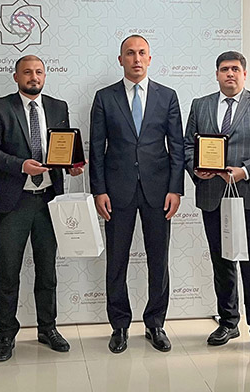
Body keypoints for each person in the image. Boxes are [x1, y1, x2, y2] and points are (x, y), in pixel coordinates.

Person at [0, 55, 83, 362]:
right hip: (14, 201)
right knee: (8, 272)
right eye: (27, 72)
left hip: (49, 200)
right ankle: (6, 335)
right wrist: (21, 166)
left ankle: (47, 328)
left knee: (47, 270)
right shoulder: (1, 106)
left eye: (39, 72)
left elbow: (64, 147)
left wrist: (72, 165)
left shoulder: (58, 107)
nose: (34, 77)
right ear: (16, 77)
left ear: (45, 76)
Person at [184, 51, 250, 358]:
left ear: (244, 74)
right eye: (224, 69)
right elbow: (188, 146)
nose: (230, 74)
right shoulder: (200, 105)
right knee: (222, 263)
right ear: (217, 74)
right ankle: (228, 322)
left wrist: (245, 171)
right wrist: (196, 169)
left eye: (235, 69)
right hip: (213, 195)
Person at [89, 35, 184, 353]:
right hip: (117, 192)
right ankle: (119, 325)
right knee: (117, 260)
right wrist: (99, 190)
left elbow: (177, 147)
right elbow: (96, 148)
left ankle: (155, 323)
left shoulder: (167, 96)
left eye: (142, 53)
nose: (136, 58)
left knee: (159, 260)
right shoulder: (104, 98)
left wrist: (175, 189)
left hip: (159, 191)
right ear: (121, 60)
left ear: (150, 58)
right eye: (130, 53)